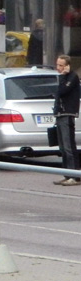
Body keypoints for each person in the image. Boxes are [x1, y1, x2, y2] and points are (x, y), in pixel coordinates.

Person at [53, 55, 81, 186]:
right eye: (57, 65)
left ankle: (75, 176)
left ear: (67, 66)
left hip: (67, 114)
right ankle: (67, 174)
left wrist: (63, 76)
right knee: (62, 147)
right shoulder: (62, 78)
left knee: (69, 146)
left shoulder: (72, 77)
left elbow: (62, 91)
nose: (58, 68)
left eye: (61, 65)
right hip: (60, 114)